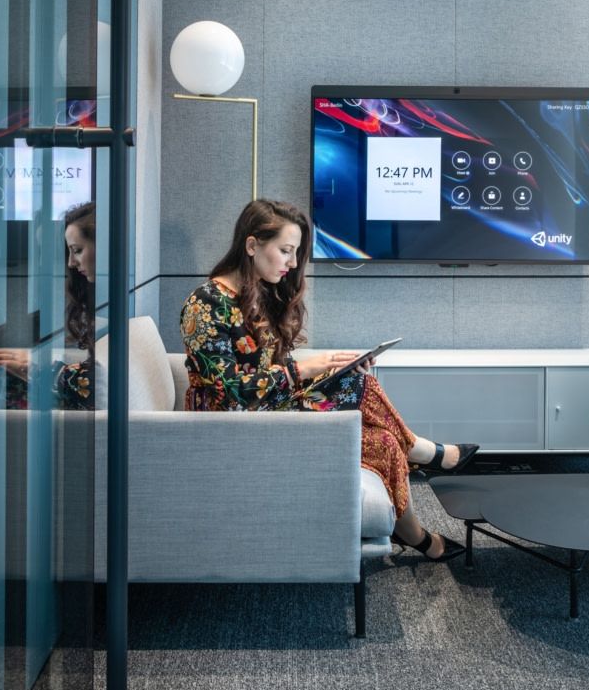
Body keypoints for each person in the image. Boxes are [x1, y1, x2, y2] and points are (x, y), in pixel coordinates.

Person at [180, 198, 480, 562]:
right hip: (233, 429)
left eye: (296, 253)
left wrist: (326, 373)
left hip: (269, 412)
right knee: (362, 391)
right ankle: (421, 463)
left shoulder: (256, 292)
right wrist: (305, 370)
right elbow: (231, 391)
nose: (292, 263)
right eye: (286, 251)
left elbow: (272, 372)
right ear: (252, 245)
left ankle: (412, 525)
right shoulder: (205, 303)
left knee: (379, 429)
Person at [0, 201, 96, 410]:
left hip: (83, 421)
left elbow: (93, 383)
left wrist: (35, 369)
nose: (70, 263)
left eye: (76, 250)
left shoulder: (114, 306)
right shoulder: (99, 298)